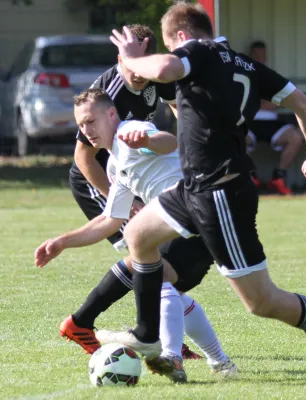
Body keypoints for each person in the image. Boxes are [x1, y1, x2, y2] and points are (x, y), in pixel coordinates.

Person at [106, 2, 306, 385]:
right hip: (196, 186)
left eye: (175, 45)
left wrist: (131, 58)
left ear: (184, 37)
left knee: (262, 301)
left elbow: (164, 68)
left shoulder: (198, 51)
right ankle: (147, 335)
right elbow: (303, 104)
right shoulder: (244, 64)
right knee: (138, 235)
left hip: (220, 192)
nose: (176, 53)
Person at [35, 88, 237, 383]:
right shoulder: (116, 163)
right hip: (189, 223)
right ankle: (220, 363)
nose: (87, 130)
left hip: (196, 213)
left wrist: (147, 140)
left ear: (111, 114)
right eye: (81, 125)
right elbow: (109, 219)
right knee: (167, 285)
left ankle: (171, 355)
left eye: (92, 121)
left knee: (154, 271)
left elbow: (169, 142)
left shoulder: (130, 132)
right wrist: (62, 241)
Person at [67, 23, 201, 361]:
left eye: (145, 62)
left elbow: (177, 111)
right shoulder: (111, 93)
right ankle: (90, 325)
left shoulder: (154, 78)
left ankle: (155, 336)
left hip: (130, 178)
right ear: (121, 57)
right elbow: (83, 158)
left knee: (155, 260)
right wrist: (128, 202)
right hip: (98, 178)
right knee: (149, 257)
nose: (139, 73)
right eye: (132, 63)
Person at [247, 40, 304, 195]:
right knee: (235, 136)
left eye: (262, 56)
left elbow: (276, 103)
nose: (259, 59)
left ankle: (278, 178)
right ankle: (250, 176)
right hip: (249, 121)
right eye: (256, 55)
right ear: (250, 56)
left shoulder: (271, 76)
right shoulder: (243, 74)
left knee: (296, 137)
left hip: (272, 123)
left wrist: (259, 101)